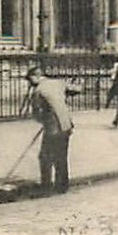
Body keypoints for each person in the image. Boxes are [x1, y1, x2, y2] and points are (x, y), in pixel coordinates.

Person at [26, 66, 77, 194]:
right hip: (66, 124)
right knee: (61, 156)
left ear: (35, 77)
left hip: (52, 128)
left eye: (30, 80)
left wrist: (43, 120)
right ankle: (62, 185)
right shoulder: (58, 83)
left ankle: (46, 185)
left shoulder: (38, 90)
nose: (30, 83)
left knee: (44, 156)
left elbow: (37, 112)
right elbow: (74, 90)